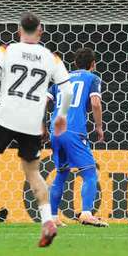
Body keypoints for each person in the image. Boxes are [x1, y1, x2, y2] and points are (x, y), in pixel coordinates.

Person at [0, 13, 73, 247]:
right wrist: (61, 116)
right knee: (33, 172)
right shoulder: (51, 57)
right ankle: (47, 221)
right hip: (32, 122)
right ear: (40, 31)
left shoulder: (6, 49)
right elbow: (66, 91)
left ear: (19, 30)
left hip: (6, 116)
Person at [46, 48, 106, 227]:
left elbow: (44, 100)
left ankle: (53, 216)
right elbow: (95, 102)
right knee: (89, 173)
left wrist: (41, 125)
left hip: (55, 131)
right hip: (74, 131)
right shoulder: (92, 78)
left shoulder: (61, 79)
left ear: (74, 64)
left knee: (62, 173)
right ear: (93, 64)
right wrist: (99, 126)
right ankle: (86, 213)